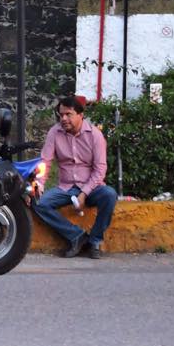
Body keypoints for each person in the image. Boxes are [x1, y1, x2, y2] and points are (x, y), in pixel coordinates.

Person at [32, 96, 117, 259]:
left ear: (80, 115)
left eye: (68, 114)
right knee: (38, 202)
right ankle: (77, 236)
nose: (63, 119)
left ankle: (95, 241)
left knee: (109, 195)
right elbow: (45, 161)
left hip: (92, 187)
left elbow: (100, 169)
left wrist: (84, 193)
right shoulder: (54, 133)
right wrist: (39, 183)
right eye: (61, 114)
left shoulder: (95, 135)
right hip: (66, 188)